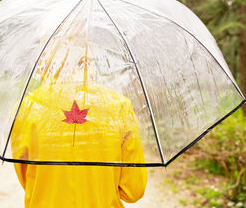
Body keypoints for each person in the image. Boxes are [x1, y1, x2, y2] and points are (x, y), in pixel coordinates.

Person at [10, 82, 148, 208]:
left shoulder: (26, 107)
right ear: (91, 57)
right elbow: (133, 191)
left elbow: (27, 180)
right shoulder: (119, 106)